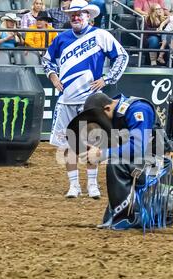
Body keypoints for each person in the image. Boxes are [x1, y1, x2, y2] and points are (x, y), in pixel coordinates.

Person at [42, 0, 129, 199]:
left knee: (93, 143)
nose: (76, 16)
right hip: (66, 101)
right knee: (67, 145)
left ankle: (92, 184)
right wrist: (53, 77)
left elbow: (122, 56)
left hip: (90, 102)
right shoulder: (61, 38)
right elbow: (46, 60)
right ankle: (74, 185)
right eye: (73, 14)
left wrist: (107, 79)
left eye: (80, 13)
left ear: (89, 15)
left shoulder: (101, 35)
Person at [67, 92, 173, 230]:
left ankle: (131, 216)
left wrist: (101, 153)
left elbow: (137, 148)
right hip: (143, 161)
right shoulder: (118, 114)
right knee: (116, 162)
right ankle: (140, 210)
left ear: (107, 108)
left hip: (157, 163)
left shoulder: (138, 109)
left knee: (116, 164)